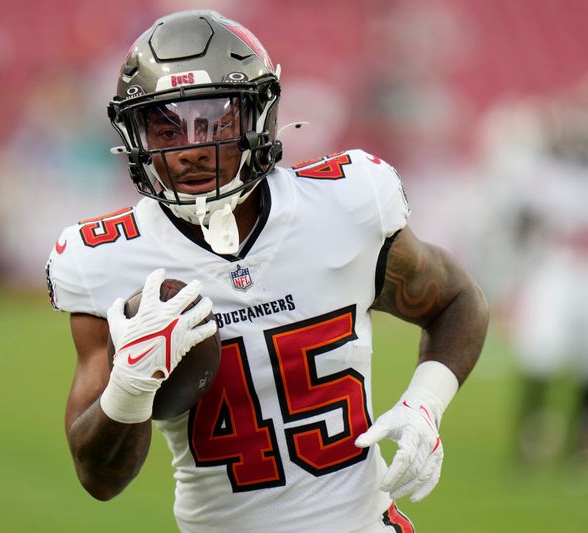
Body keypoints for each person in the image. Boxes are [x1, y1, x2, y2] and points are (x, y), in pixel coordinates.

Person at [46, 10, 488, 533]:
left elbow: (458, 302)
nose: (191, 148)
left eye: (213, 120)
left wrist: (424, 405)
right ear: (135, 136)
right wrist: (130, 385)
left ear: (259, 114)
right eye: (165, 126)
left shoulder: (343, 205)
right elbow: (100, 479)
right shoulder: (106, 261)